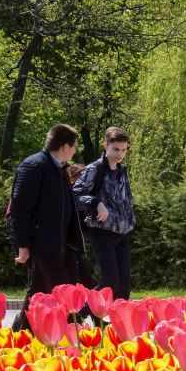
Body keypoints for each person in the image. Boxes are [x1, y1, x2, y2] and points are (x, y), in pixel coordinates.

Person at [9, 124, 88, 332]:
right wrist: (22, 245)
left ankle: (20, 336)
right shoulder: (34, 166)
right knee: (62, 291)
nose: (75, 151)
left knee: (39, 291)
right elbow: (19, 208)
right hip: (43, 243)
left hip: (62, 243)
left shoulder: (59, 168)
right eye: (74, 147)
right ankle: (75, 338)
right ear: (64, 147)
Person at [73, 126, 135, 301]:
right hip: (101, 233)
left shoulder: (122, 172)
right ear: (105, 145)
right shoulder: (95, 169)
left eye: (124, 150)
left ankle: (119, 326)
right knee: (110, 282)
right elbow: (74, 196)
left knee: (123, 289)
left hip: (122, 234)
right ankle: (80, 312)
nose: (120, 154)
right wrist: (95, 202)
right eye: (115, 149)